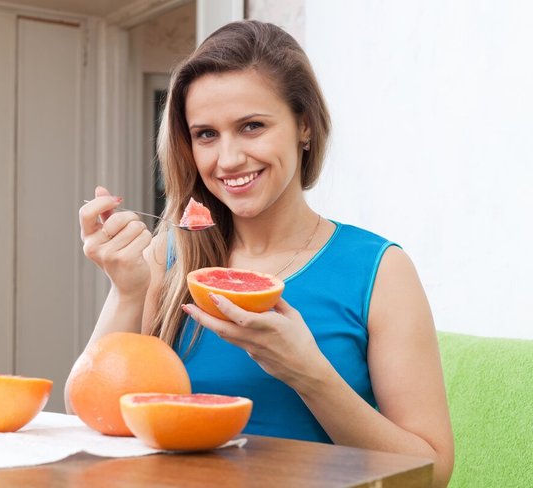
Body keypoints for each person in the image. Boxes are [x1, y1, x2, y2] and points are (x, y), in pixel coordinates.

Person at [68, 20, 454, 487]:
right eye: (206, 134)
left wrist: (309, 375)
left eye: (251, 127)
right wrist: (127, 292)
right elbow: (90, 411)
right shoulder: (169, 254)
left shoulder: (380, 270)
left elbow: (433, 474)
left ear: (304, 127)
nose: (227, 159)